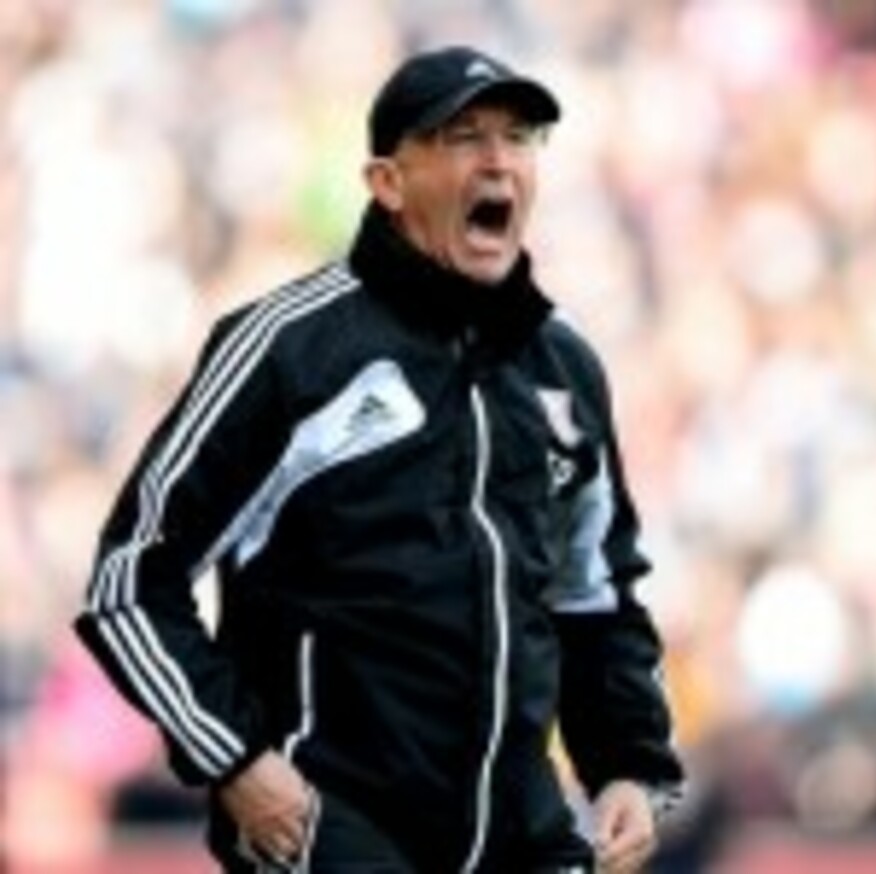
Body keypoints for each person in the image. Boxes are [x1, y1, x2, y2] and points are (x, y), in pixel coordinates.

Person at [74, 45, 684, 873]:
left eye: (518, 137)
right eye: (463, 136)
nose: (498, 160)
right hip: (332, 830)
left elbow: (595, 596)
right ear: (388, 183)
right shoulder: (290, 348)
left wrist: (629, 765)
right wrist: (238, 759)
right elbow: (130, 580)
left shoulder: (564, 367)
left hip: (523, 835)